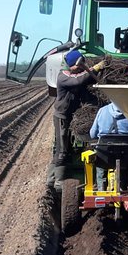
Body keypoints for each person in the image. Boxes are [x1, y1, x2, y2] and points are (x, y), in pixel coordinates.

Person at [49, 49, 103, 185]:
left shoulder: (75, 73)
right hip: (62, 116)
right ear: (71, 65)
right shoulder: (64, 76)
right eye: (77, 65)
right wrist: (94, 68)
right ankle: (57, 181)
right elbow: (78, 81)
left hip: (70, 115)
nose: (79, 68)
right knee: (62, 149)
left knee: (64, 148)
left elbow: (86, 78)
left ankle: (52, 178)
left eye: (81, 65)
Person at [89, 100, 128, 190]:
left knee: (100, 165)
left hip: (104, 155)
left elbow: (93, 134)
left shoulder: (102, 110)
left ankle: (101, 188)